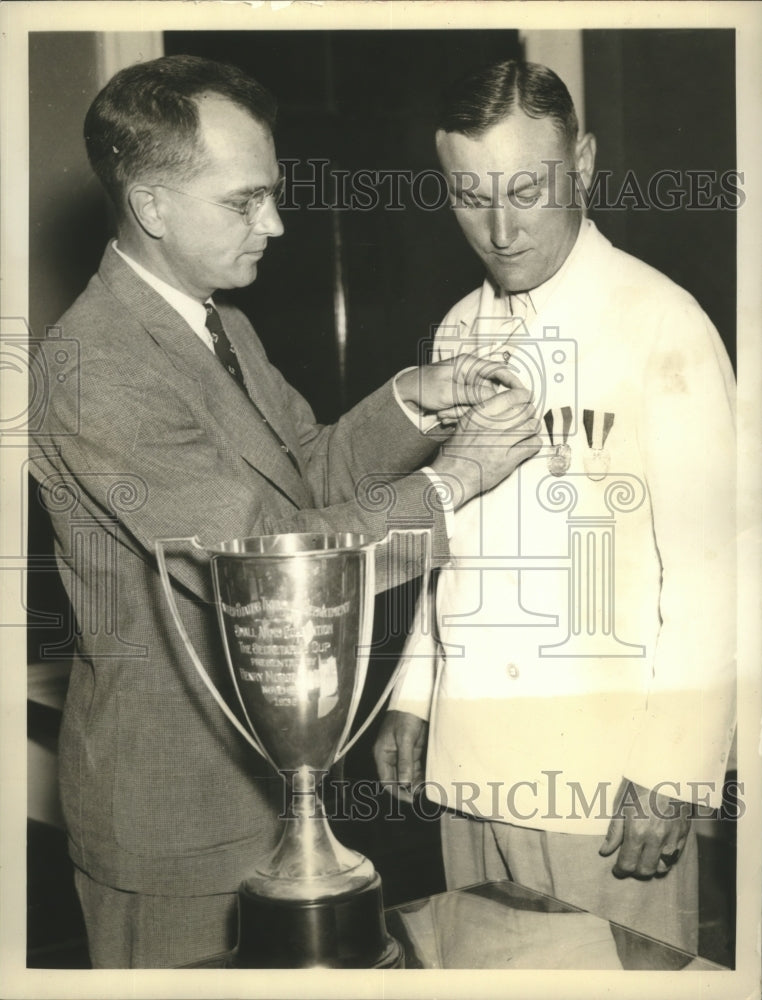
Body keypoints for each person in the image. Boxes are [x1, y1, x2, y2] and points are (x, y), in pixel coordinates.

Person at [30, 55, 542, 968]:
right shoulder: (91, 366)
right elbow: (261, 551)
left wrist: (416, 401)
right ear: (150, 206)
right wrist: (452, 479)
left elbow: (303, 470)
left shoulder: (215, 321)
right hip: (176, 822)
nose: (275, 222)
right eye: (243, 201)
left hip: (268, 794)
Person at [375, 58, 736, 960]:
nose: (499, 228)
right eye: (468, 195)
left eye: (526, 189)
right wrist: (414, 696)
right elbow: (453, 539)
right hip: (468, 764)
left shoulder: (663, 321)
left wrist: (671, 772)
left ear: (581, 162)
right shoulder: (459, 330)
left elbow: (712, 574)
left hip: (603, 784)